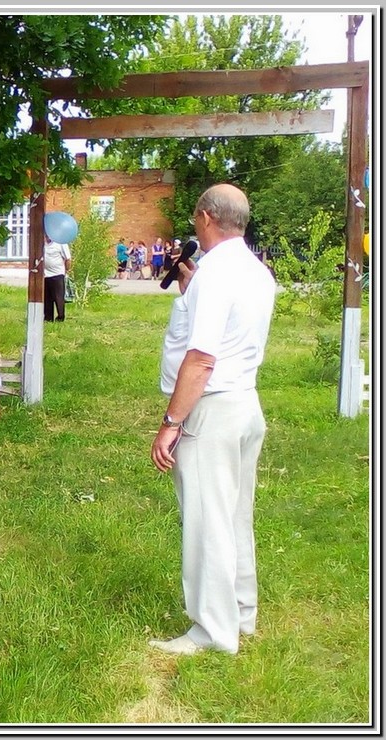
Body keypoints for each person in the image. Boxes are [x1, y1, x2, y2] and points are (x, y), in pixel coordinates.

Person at [148, 183, 276, 657]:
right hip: (245, 401)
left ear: (205, 217)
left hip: (213, 406)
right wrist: (190, 292)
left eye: (195, 219)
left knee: (207, 520)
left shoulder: (216, 274)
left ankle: (213, 630)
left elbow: (201, 358)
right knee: (236, 514)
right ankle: (241, 612)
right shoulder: (255, 270)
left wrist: (171, 422)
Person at [43, 237, 72, 322]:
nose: (47, 236)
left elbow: (68, 259)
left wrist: (66, 271)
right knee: (47, 298)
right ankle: (48, 318)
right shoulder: (42, 244)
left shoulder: (61, 243)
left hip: (58, 274)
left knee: (58, 297)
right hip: (45, 275)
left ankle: (60, 317)